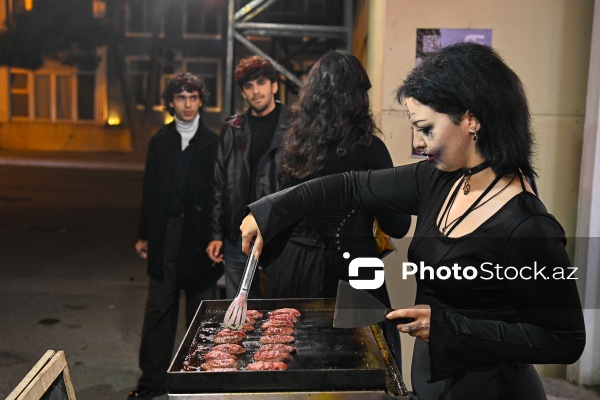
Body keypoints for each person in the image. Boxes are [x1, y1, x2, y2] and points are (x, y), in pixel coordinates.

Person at [239, 42, 585, 399]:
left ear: (472, 119)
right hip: (429, 382)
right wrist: (266, 213)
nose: (419, 143)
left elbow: (564, 340)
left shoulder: (528, 226)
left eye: (427, 129)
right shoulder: (435, 180)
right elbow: (350, 185)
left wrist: (448, 327)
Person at [262, 49, 410, 364]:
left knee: (290, 358)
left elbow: (278, 219)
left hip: (294, 266)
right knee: (359, 365)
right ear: (358, 100)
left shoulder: (291, 148)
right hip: (355, 269)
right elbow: (398, 225)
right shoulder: (371, 150)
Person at [130, 73, 222, 400]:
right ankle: (151, 383)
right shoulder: (160, 141)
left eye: (193, 97)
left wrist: (217, 235)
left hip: (200, 238)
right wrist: (144, 235)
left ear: (201, 101)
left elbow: (219, 193)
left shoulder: (214, 142)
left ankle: (197, 385)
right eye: (181, 97)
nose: (187, 103)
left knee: (200, 314)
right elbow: (150, 193)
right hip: (166, 233)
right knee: (159, 310)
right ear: (171, 102)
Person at [206, 55, 291, 298]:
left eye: (261, 83)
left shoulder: (295, 126)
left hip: (280, 235)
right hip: (237, 236)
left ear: (274, 86)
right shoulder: (233, 128)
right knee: (240, 311)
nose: (256, 91)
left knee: (281, 311)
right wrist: (215, 235)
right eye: (249, 86)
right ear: (243, 92)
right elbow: (219, 183)